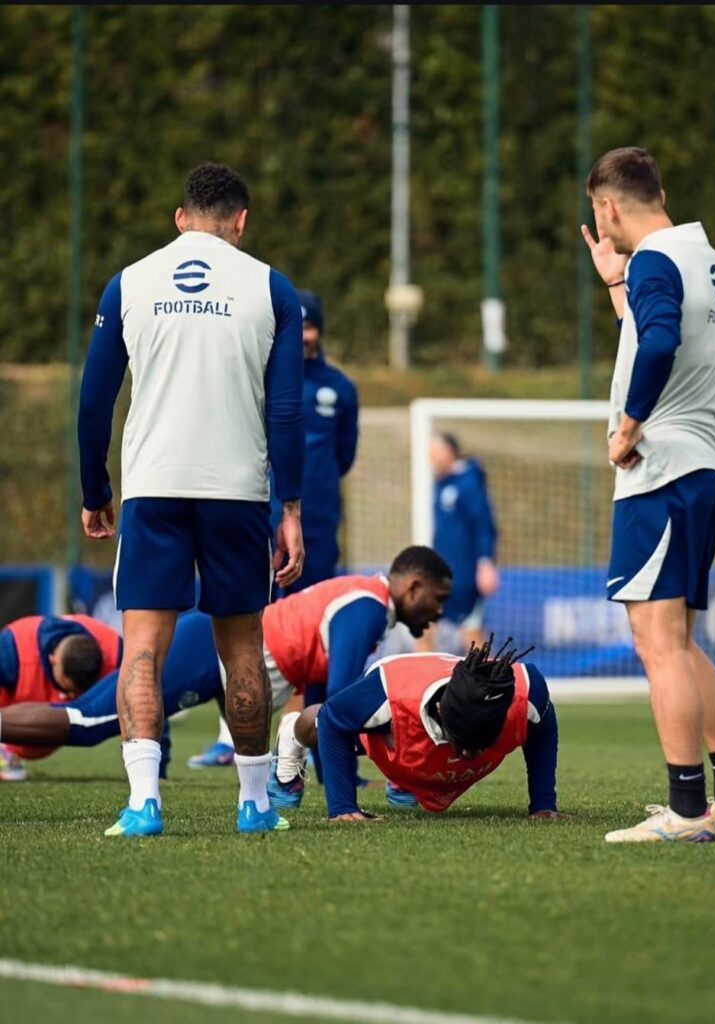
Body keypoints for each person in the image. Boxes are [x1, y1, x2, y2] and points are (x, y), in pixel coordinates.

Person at [77, 163, 305, 837]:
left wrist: (97, 491)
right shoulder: (272, 287)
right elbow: (286, 411)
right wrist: (288, 507)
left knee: (142, 651)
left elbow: (94, 402)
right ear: (241, 222)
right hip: (236, 493)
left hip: (153, 488)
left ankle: (143, 804)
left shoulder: (131, 282)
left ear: (180, 219)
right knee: (242, 651)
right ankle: (255, 805)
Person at [581, 146, 715, 843]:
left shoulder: (656, 259)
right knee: (678, 640)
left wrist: (629, 426)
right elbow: (660, 334)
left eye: (601, 215)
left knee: (656, 641)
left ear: (610, 207)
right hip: (706, 463)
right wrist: (614, 288)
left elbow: (657, 347)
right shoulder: (711, 265)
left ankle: (688, 811)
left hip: (662, 469)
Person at [0, 549, 451, 782]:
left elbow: (319, 696)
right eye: (438, 599)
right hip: (214, 653)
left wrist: (341, 779)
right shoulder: (367, 607)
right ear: (412, 588)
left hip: (224, 656)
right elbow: (340, 703)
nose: (438, 612)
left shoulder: (369, 602)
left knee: (90, 718)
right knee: (88, 722)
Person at [189, 288, 359, 768]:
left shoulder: (340, 388)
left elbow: (344, 456)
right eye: (296, 327)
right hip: (256, 522)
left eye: (311, 326)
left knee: (322, 635)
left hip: (318, 529)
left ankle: (324, 750)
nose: (303, 336)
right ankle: (230, 735)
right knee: (248, 628)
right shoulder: (260, 381)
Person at [270, 636, 560, 823]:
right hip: (393, 732)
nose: (471, 754)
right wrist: (343, 807)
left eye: (481, 743)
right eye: (464, 743)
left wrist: (543, 803)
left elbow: (544, 725)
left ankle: (407, 780)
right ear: (439, 712)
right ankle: (290, 733)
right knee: (317, 721)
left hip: (422, 744)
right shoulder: (386, 696)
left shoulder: (523, 695)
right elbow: (333, 720)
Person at [0, 613, 121, 780]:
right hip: (12, 707)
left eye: (80, 692)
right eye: (67, 689)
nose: (71, 697)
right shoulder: (9, 652)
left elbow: (150, 700)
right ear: (52, 660)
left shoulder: (116, 654)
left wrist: (157, 768)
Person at [425, 432, 498, 653]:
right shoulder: (441, 484)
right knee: (423, 625)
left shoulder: (469, 482)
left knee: (472, 634)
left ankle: (495, 685)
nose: (432, 458)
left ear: (449, 451)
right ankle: (423, 683)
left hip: (464, 575)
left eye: (435, 452)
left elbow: (484, 525)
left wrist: (486, 563)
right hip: (441, 573)